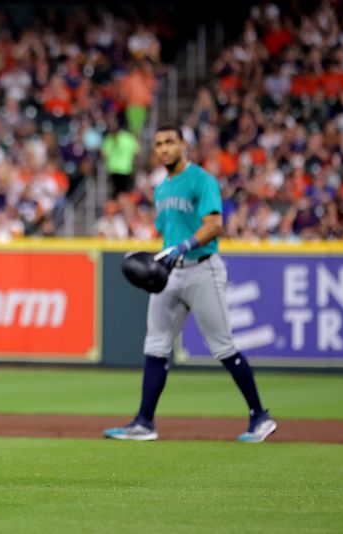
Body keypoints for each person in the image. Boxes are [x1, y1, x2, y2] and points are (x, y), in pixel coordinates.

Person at [104, 125, 277, 443]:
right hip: (171, 273)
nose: (164, 148)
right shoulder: (161, 188)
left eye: (170, 142)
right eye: (159, 144)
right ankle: (144, 422)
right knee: (155, 345)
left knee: (222, 346)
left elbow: (214, 225)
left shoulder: (201, 180)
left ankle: (260, 416)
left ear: (183, 144)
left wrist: (183, 247)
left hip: (202, 269)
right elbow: (167, 232)